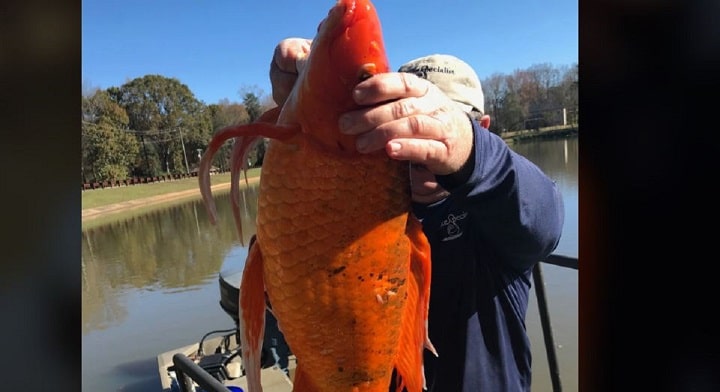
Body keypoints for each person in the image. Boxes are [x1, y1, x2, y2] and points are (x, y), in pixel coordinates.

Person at [269, 38, 565, 392]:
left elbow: (545, 218)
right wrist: (304, 123)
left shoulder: (496, 214)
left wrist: (466, 150)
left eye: (438, 120)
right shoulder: (352, 207)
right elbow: (286, 288)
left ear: (481, 128)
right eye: (405, 118)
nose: (419, 140)